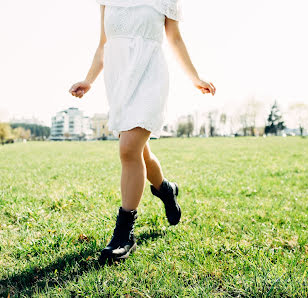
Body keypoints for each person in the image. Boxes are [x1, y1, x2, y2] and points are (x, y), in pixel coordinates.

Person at [69, 0, 216, 263]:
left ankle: (124, 234)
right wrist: (88, 80)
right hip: (118, 81)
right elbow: (104, 43)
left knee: (128, 150)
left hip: (150, 76)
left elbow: (175, 40)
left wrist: (195, 78)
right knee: (140, 153)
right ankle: (165, 189)